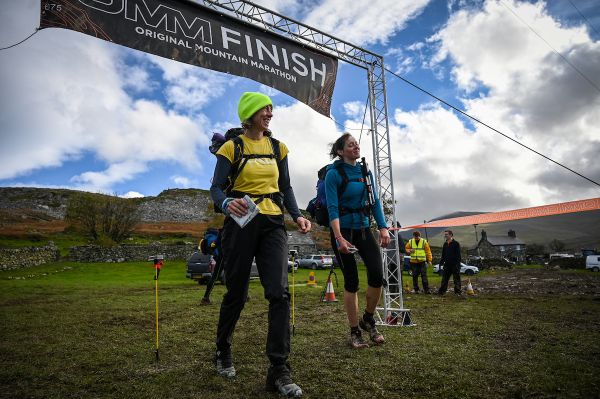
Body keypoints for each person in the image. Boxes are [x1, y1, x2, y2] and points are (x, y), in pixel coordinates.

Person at [210, 92, 310, 397]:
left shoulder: (278, 147)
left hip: (272, 223)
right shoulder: (232, 147)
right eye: (265, 109)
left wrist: (297, 214)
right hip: (240, 223)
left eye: (270, 108)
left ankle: (279, 370)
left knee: (278, 293)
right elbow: (215, 188)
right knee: (237, 293)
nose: (270, 113)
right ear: (250, 113)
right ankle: (222, 349)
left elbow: (286, 185)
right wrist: (226, 202)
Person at [325, 133, 390, 349]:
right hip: (342, 232)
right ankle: (354, 331)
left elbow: (375, 202)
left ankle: (368, 319)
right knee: (351, 281)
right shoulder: (333, 175)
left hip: (363, 229)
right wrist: (339, 237)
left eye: (357, 144)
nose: (355, 146)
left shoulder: (365, 171)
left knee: (377, 275)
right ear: (341, 151)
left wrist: (382, 228)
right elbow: (332, 208)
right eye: (350, 145)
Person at [438, 229, 462, 296]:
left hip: (455, 265)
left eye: (446, 234)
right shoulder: (445, 244)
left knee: (456, 279)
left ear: (451, 235)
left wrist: (458, 265)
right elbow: (443, 255)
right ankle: (442, 292)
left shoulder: (456, 243)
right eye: (445, 234)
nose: (445, 236)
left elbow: (458, 255)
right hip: (447, 265)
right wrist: (441, 263)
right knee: (444, 279)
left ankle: (458, 292)